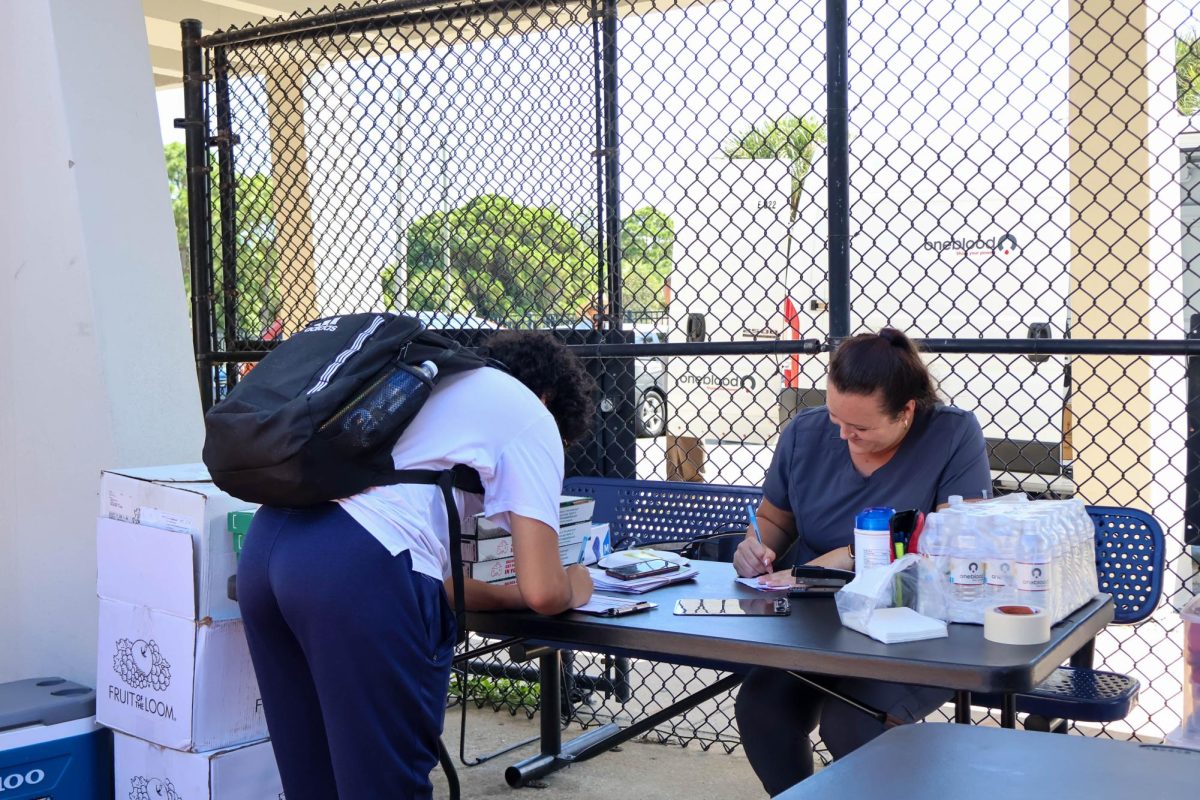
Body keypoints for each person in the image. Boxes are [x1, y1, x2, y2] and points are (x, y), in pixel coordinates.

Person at [237, 330, 596, 800]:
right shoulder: (531, 415)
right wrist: (577, 582)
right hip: (358, 568)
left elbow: (443, 586)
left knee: (314, 781)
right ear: (550, 400)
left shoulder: (428, 386)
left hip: (268, 552)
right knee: (385, 787)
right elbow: (545, 592)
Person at [732, 327, 990, 795]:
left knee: (852, 723)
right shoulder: (804, 433)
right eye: (835, 417)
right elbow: (773, 516)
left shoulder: (952, 434)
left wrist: (850, 556)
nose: (844, 435)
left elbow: (958, 540)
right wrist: (755, 546)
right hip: (816, 621)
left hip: (918, 629)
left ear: (907, 412)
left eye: (861, 428)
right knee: (761, 708)